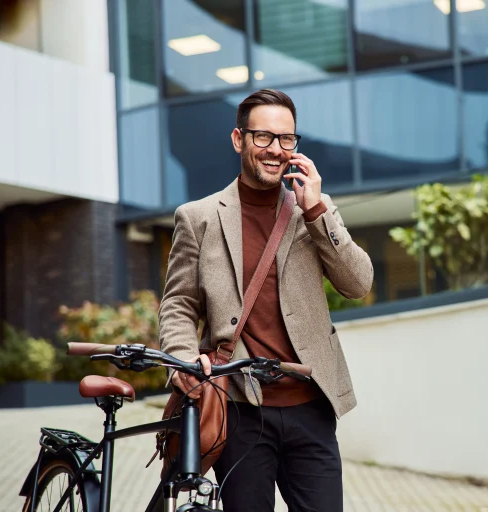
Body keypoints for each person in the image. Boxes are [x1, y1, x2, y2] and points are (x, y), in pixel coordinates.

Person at [158, 88, 373, 511]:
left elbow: (358, 283)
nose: (275, 149)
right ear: (239, 140)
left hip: (311, 407)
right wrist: (182, 358)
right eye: (263, 137)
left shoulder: (315, 210)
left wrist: (316, 213)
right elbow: (178, 303)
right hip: (239, 410)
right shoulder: (199, 217)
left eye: (286, 139)